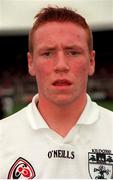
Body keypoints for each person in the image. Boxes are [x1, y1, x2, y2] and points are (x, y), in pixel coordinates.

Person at [0, 6, 113, 179]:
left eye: (73, 52)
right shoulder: (3, 137)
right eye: (47, 53)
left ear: (91, 61)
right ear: (31, 63)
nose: (61, 65)